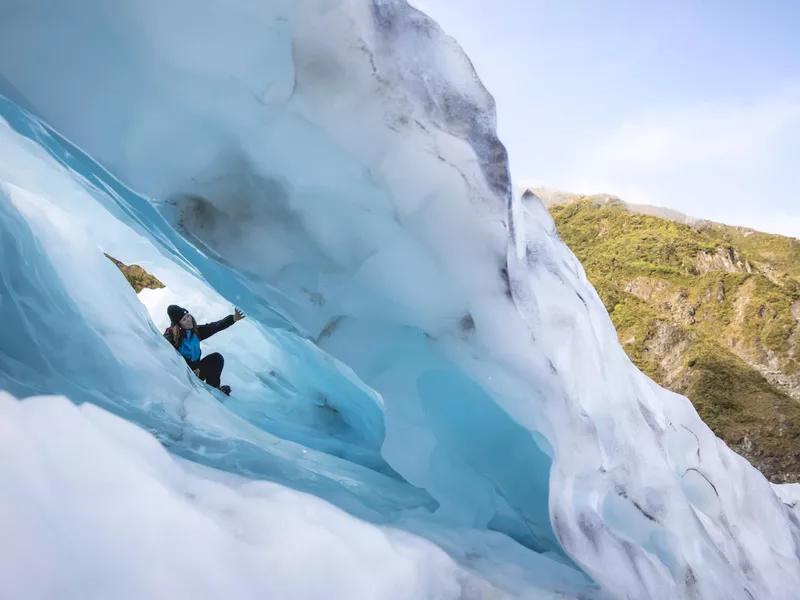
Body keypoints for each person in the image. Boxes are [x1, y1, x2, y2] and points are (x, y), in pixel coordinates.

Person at [164, 304, 245, 395]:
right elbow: (172, 355)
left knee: (216, 358)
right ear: (178, 324)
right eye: (184, 319)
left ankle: (214, 388)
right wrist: (193, 366)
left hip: (196, 372)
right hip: (182, 376)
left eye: (188, 316)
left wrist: (233, 318)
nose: (188, 320)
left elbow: (213, 327)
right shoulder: (171, 337)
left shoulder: (194, 331)